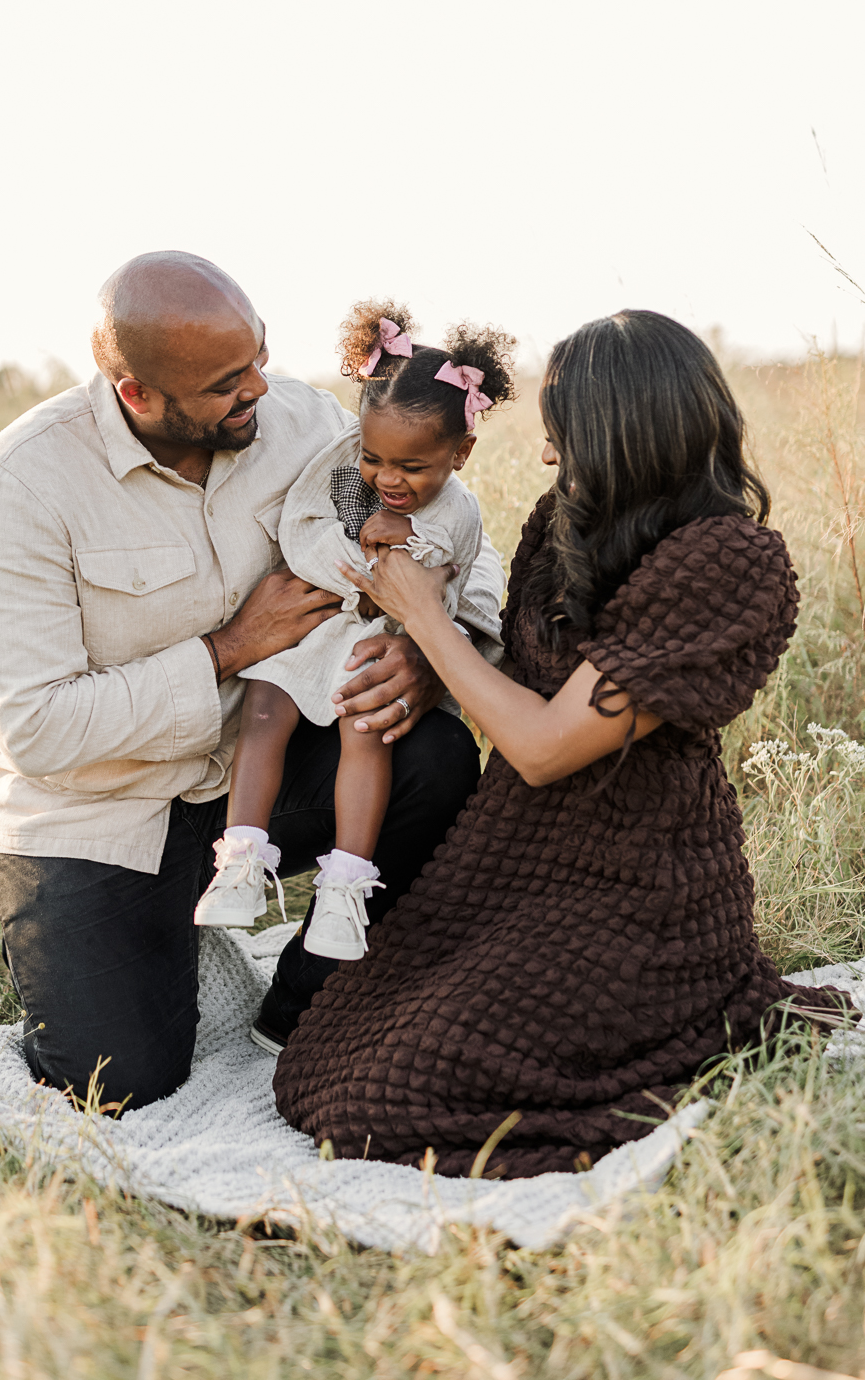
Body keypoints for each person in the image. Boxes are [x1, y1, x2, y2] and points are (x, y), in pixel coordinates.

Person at [273, 309, 849, 1179]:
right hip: (514, 850)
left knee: (382, 1103)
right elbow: (502, 667)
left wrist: (426, 621)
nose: (547, 457)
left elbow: (543, 745)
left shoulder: (729, 560)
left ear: (628, 432)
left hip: (637, 883)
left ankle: (694, 1018)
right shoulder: (566, 518)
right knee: (323, 1060)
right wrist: (417, 655)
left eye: (562, 436)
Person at [0, 251, 507, 1111]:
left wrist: (435, 647)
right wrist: (226, 649)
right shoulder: (27, 478)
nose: (258, 387)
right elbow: (35, 729)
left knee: (429, 753)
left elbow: (457, 538)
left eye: (257, 355)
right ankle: (83, 945)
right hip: (101, 816)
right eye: (226, 382)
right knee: (117, 1086)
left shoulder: (302, 421)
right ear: (136, 393)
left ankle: (306, 997)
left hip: (258, 782)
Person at [193, 302, 516, 961]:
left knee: (363, 730)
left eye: (412, 468)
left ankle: (344, 887)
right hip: (310, 627)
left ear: (461, 452)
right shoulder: (344, 468)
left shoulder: (454, 509)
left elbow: (448, 572)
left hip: (374, 641)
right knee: (263, 707)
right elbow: (310, 527)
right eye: (376, 459)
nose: (388, 479)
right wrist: (359, 569)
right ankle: (242, 859)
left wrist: (409, 547)